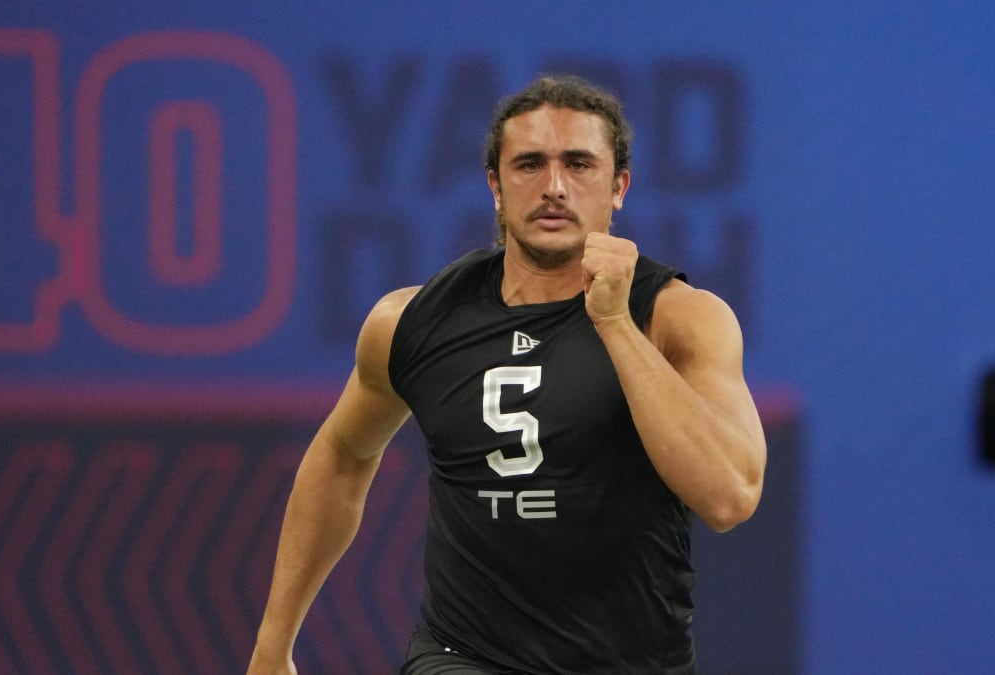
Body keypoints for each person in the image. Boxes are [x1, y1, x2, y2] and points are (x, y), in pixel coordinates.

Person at [247, 74, 767, 675]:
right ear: (494, 185)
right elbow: (342, 456)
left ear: (618, 186)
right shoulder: (411, 322)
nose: (553, 187)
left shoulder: (678, 318)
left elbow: (730, 497)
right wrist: (273, 645)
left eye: (578, 164)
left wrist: (615, 325)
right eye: (528, 165)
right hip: (462, 655)